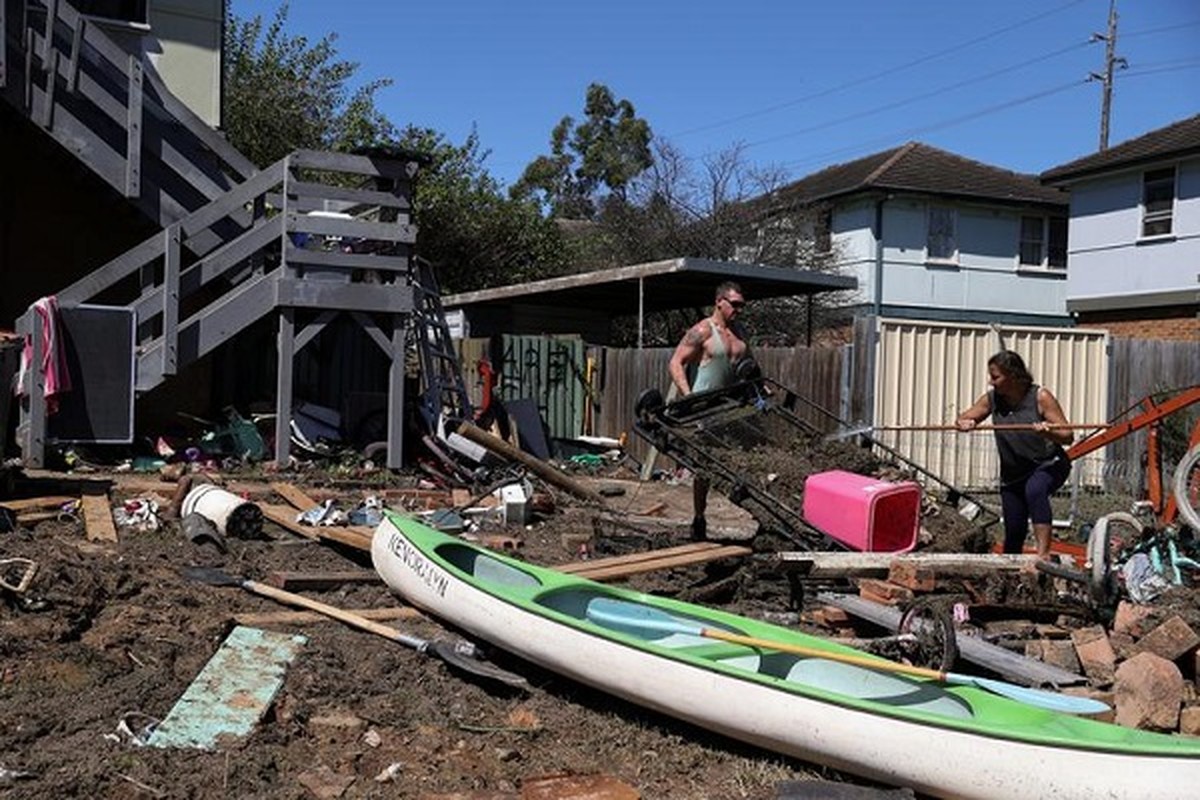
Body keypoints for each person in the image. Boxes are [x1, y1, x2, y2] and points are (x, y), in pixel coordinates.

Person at [955, 350, 1073, 559]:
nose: (991, 382)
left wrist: (1049, 431)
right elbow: (965, 417)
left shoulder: (1040, 397)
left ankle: (1043, 554)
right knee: (1014, 530)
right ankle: (1011, 574)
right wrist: (965, 422)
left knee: (1035, 490)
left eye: (995, 377)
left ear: (1013, 375)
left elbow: (1067, 435)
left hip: (1048, 464)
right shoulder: (992, 399)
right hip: (1013, 474)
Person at [668, 281, 750, 540]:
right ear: (719, 302)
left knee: (744, 461)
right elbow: (675, 363)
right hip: (704, 408)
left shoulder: (741, 334)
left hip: (732, 407)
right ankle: (699, 518)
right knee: (704, 469)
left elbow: (749, 368)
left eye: (742, 305)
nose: (739, 309)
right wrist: (688, 396)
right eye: (734, 304)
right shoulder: (703, 330)